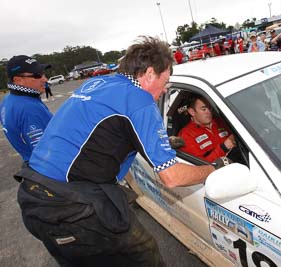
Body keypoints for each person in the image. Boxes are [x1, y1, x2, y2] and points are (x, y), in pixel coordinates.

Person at [15, 37, 225, 267]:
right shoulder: (139, 100)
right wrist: (213, 169)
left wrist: (161, 142)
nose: (165, 88)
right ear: (150, 73)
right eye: (165, 80)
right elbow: (172, 177)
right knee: (143, 253)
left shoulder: (96, 85)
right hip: (71, 207)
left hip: (33, 195)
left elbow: (102, 133)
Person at [0, 55, 52, 162]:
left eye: (43, 73)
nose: (45, 79)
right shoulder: (29, 108)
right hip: (47, 168)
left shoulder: (8, 99)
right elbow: (47, 153)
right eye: (37, 75)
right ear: (18, 80)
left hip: (30, 161)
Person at [178, 95, 236, 162]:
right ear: (192, 112)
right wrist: (224, 148)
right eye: (204, 109)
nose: (209, 112)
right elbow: (200, 166)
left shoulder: (220, 122)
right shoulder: (186, 135)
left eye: (210, 108)